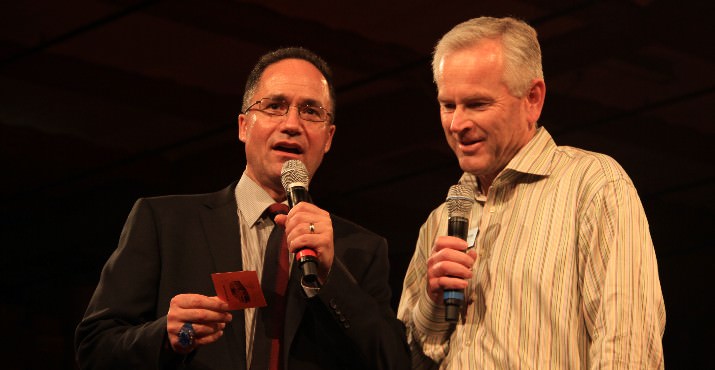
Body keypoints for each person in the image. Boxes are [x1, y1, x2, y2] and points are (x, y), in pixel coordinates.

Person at [75, 47, 410, 370]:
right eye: (275, 105)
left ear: (328, 138)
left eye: (310, 111)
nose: (292, 123)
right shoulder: (166, 224)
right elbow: (95, 349)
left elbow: (393, 362)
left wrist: (330, 276)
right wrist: (166, 336)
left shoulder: (361, 249)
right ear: (243, 126)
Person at [397, 17, 665, 369]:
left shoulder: (593, 184)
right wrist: (431, 306)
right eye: (448, 105)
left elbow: (628, 344)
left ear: (532, 99)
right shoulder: (441, 221)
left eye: (476, 104)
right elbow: (403, 358)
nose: (456, 124)